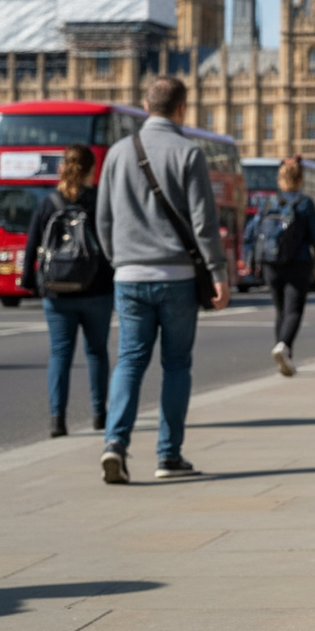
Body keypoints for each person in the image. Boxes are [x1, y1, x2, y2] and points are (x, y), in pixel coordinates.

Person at [96, 76, 230, 484]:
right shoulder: (189, 152)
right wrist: (218, 272)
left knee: (130, 361)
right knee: (176, 364)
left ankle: (114, 443)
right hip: (176, 276)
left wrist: (119, 260)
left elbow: (102, 219)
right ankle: (167, 455)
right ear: (182, 109)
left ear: (144, 105)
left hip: (129, 276)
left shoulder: (118, 153)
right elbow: (205, 223)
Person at [22, 145, 114, 437]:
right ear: (91, 170)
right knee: (97, 352)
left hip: (58, 291)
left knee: (60, 353)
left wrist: (30, 282)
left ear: (62, 167)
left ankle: (57, 420)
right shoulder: (99, 200)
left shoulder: (49, 202)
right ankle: (100, 414)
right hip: (97, 289)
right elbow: (111, 243)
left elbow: (32, 244)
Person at [245, 156, 315, 376]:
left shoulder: (268, 202)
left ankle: (285, 354)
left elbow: (251, 232)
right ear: (301, 179)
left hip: (271, 263)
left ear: (279, 179)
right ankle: (284, 346)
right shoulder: (305, 203)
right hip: (298, 262)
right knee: (293, 310)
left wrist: (251, 258)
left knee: (280, 311)